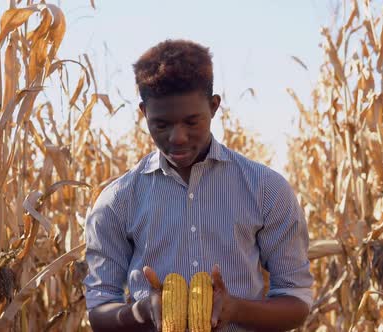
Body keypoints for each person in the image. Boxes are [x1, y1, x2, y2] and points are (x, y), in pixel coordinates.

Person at [83, 39, 313, 331]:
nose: (178, 137)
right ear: (144, 113)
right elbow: (99, 308)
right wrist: (142, 312)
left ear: (214, 106)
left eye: (192, 122)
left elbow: (295, 302)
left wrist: (235, 310)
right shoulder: (117, 201)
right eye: (162, 124)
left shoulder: (266, 189)